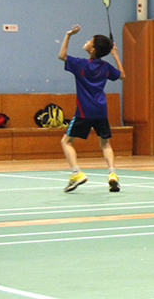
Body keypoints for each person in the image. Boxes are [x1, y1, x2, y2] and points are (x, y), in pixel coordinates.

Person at [58, 25, 126, 193]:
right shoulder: (105, 67)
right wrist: (115, 55)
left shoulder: (80, 64)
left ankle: (76, 173)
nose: (87, 41)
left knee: (66, 142)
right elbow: (122, 75)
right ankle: (112, 174)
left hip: (84, 111)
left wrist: (68, 35)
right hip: (101, 110)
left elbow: (62, 56)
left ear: (93, 49)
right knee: (105, 143)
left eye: (90, 41)